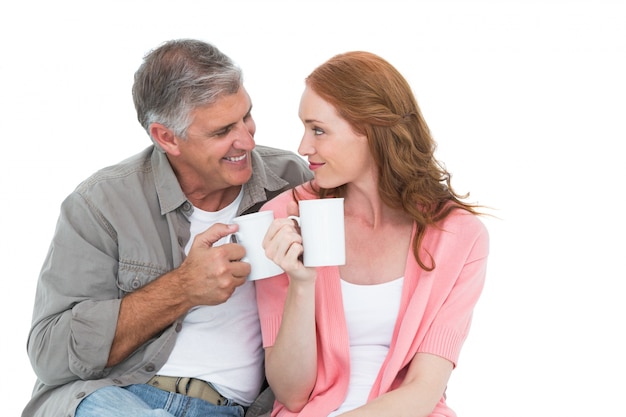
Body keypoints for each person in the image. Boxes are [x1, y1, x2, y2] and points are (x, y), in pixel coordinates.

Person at [23, 39, 313, 417]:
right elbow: (50, 352)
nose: (247, 139)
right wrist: (183, 289)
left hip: (235, 409)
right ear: (166, 137)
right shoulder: (102, 204)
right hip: (117, 397)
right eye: (222, 130)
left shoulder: (289, 181)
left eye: (247, 116)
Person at [255, 51, 489, 417]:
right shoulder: (284, 218)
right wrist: (302, 283)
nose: (303, 148)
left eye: (318, 130)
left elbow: (425, 388)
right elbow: (292, 393)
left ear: (371, 130)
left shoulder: (459, 236)